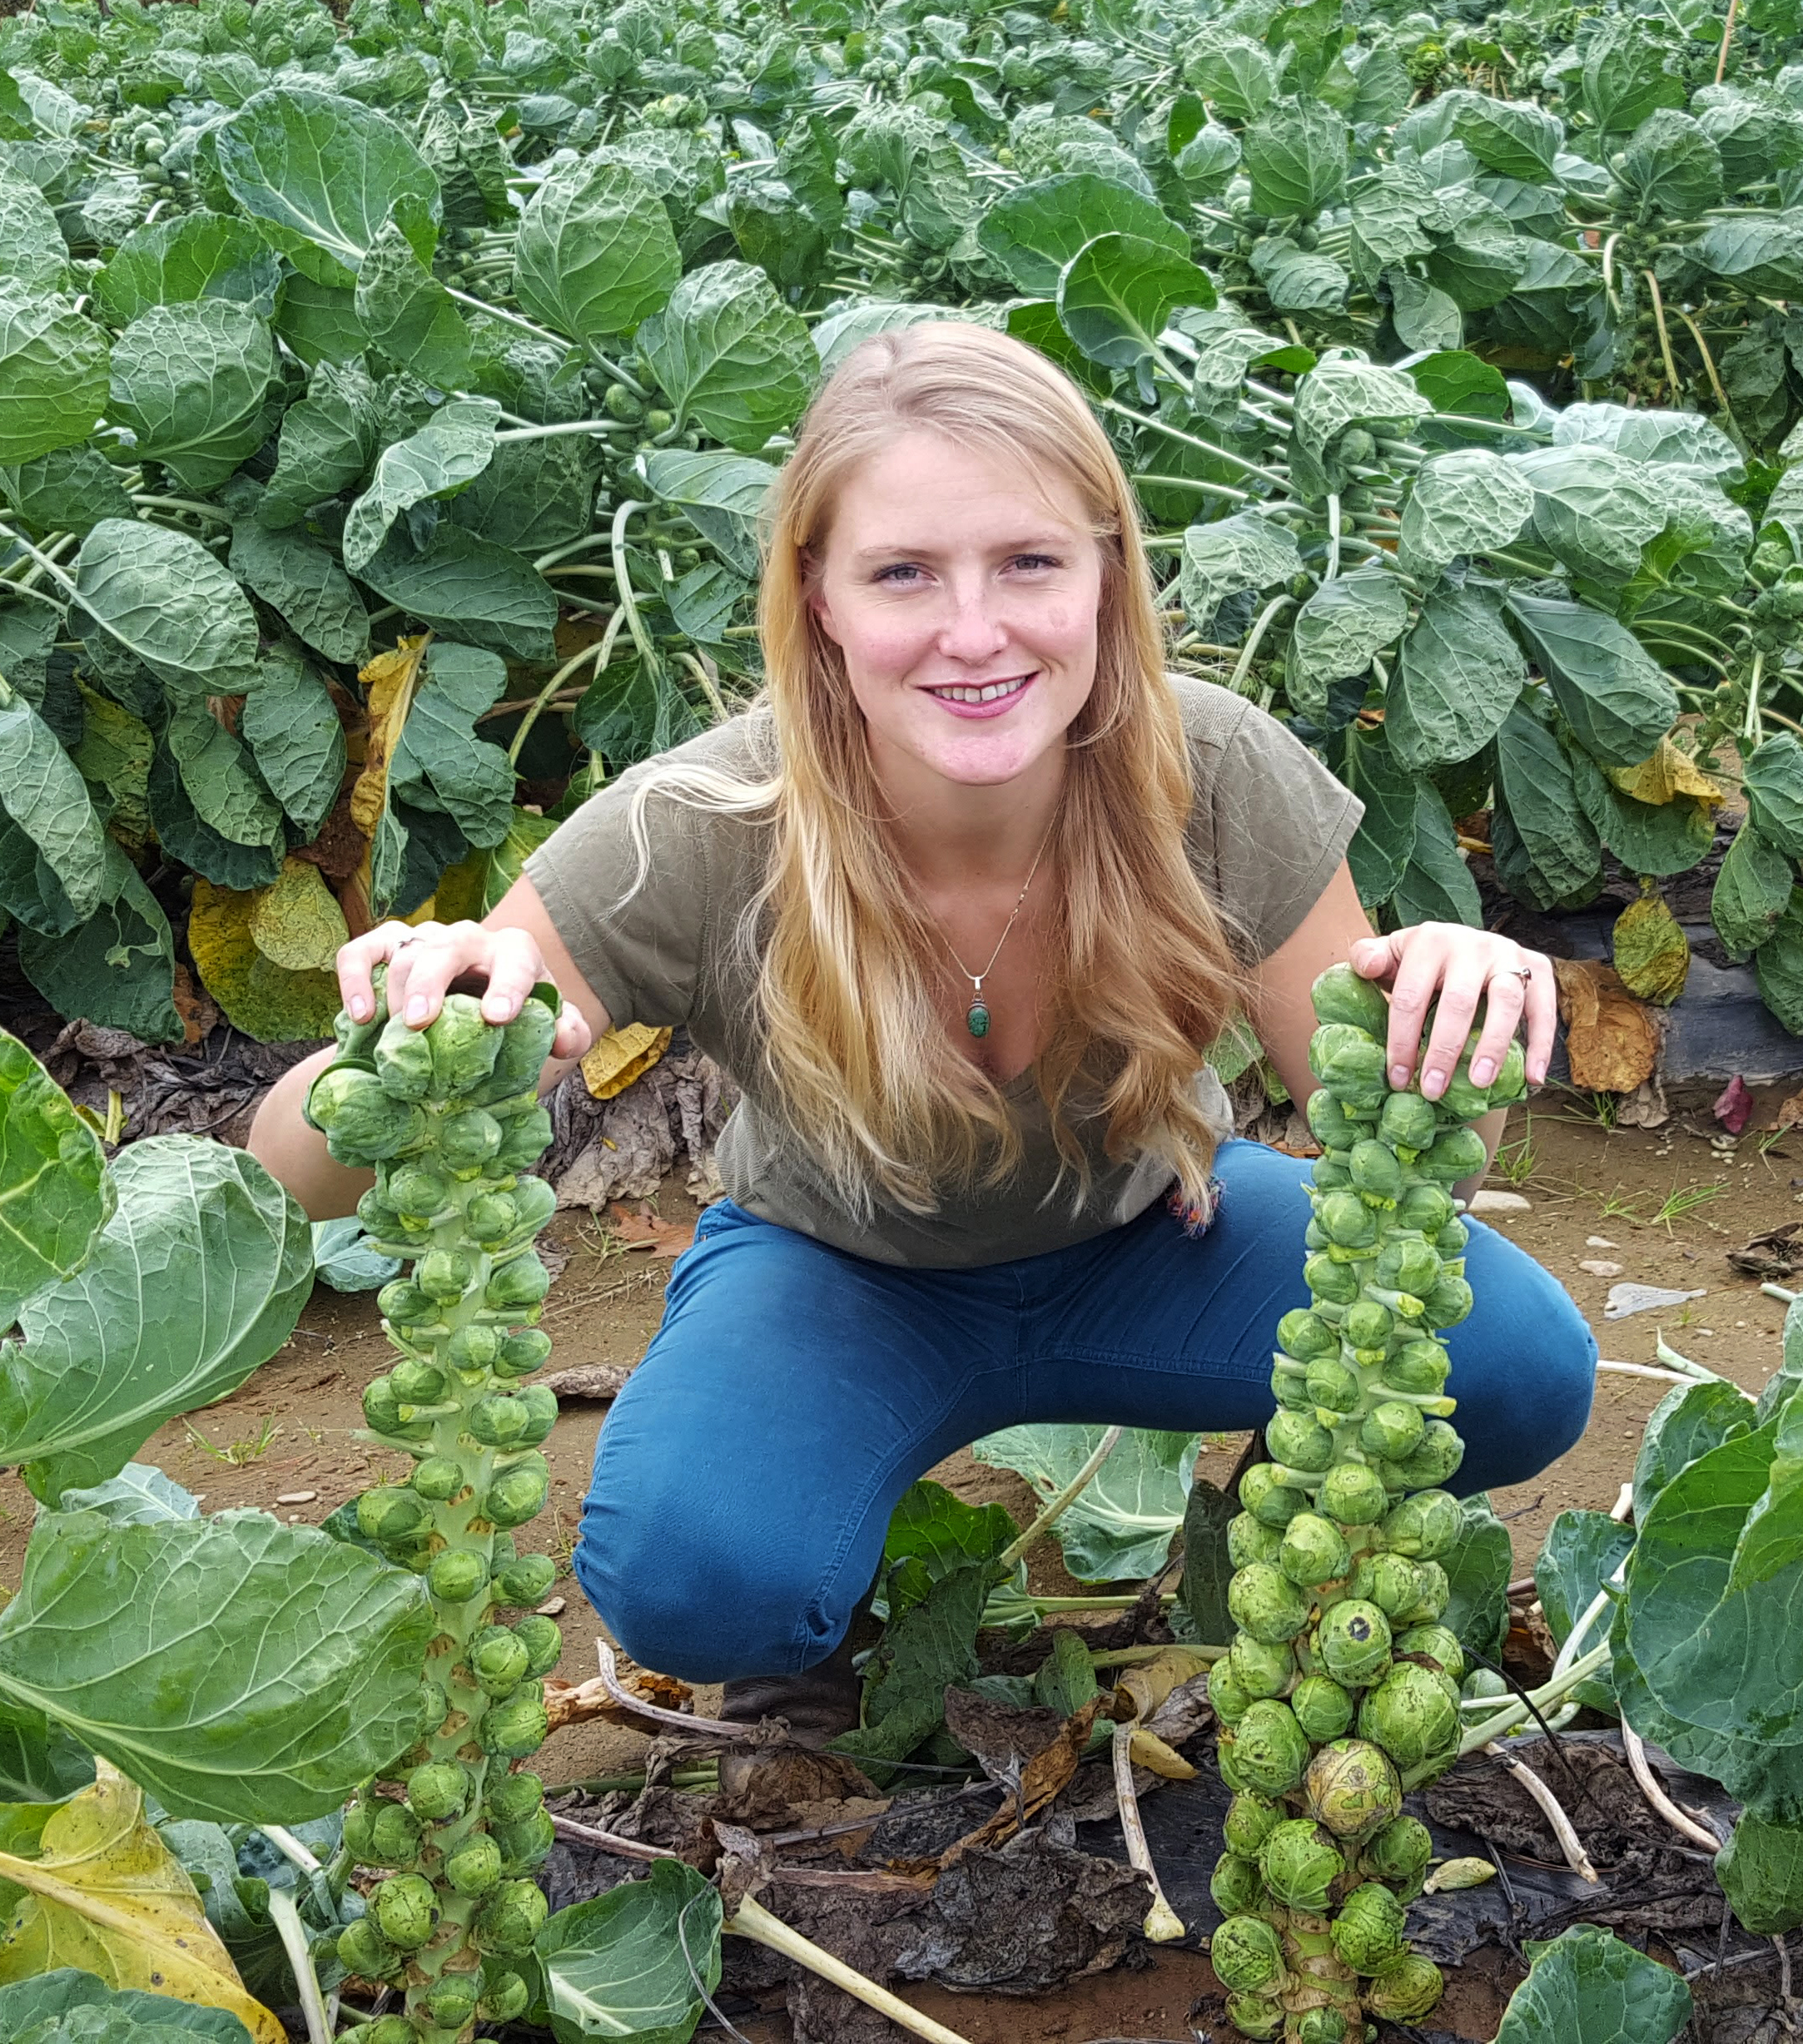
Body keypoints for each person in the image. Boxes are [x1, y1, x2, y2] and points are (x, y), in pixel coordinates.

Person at [247, 320, 1594, 1722]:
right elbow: (296, 1174)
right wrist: (400, 1032)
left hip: (1157, 1243)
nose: (974, 631)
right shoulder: (703, 826)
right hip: (838, 1281)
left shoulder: (1214, 771)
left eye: (1028, 562)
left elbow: (1426, 1153)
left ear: (1105, 575)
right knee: (695, 1575)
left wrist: (1451, 1014)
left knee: (1512, 1368)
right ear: (818, 598)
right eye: (902, 574)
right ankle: (806, 1648)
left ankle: (1276, 1543)